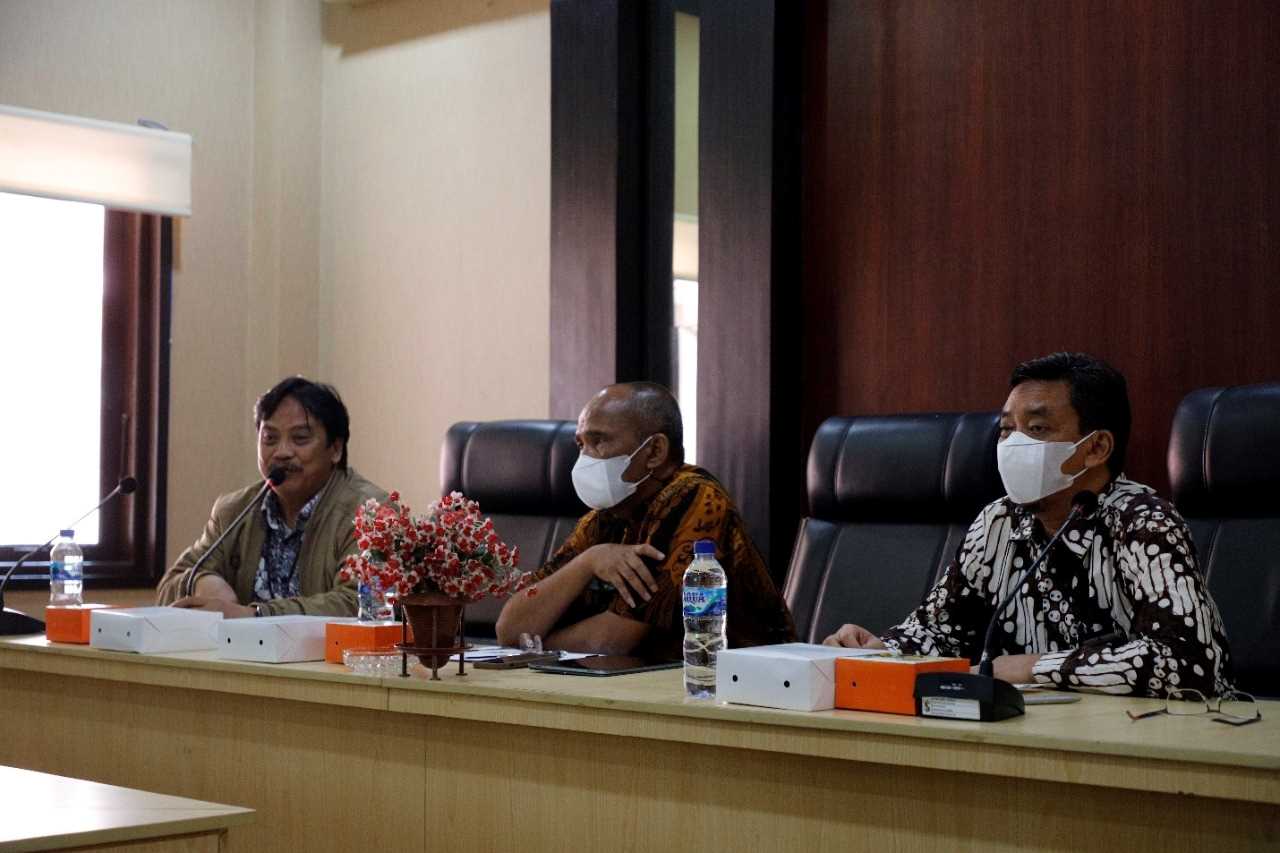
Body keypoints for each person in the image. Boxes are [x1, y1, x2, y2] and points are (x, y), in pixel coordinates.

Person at [824, 352, 1233, 697]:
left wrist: (1036, 667)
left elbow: (1191, 663)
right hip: (1032, 736)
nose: (1013, 445)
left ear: (1096, 447)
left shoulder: (1143, 522)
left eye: (1037, 429)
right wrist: (882, 651)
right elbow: (939, 632)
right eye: (1007, 430)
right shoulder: (998, 522)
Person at [496, 382, 795, 658]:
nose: (585, 458)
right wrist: (588, 561)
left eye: (598, 441)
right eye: (580, 445)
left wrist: (536, 646)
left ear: (654, 452)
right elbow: (510, 629)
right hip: (645, 682)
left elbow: (610, 642)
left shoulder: (696, 499)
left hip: (744, 683)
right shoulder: (604, 519)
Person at [156, 377, 386, 617]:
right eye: (270, 439)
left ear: (336, 449)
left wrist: (256, 615)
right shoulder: (235, 511)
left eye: (300, 438)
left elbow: (359, 603)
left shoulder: (372, 515)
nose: (282, 452)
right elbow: (169, 586)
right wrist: (200, 582)